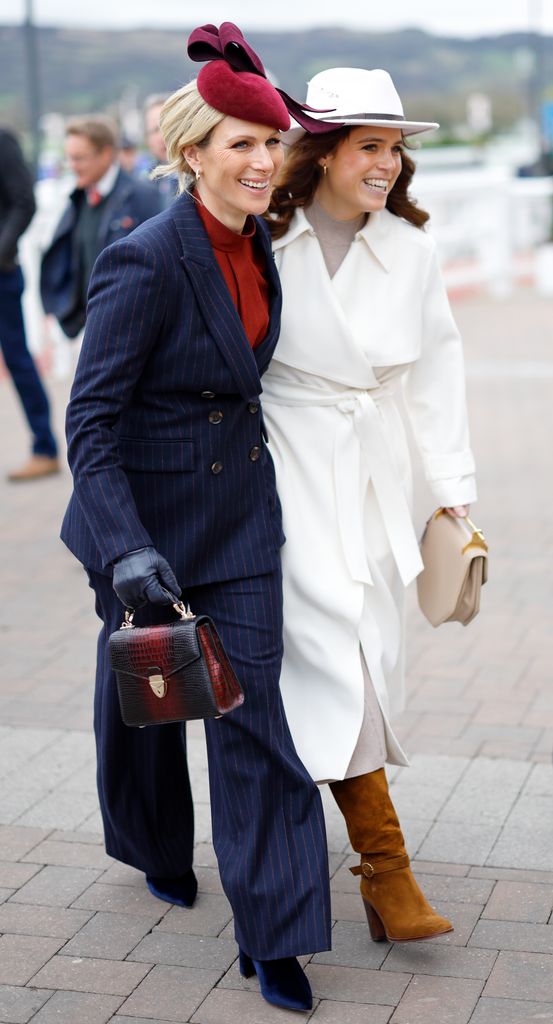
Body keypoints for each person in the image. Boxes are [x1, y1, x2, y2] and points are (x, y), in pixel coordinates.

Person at [60, 23, 331, 1013]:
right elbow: (88, 421)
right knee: (146, 705)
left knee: (251, 721)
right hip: (142, 524)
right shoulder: (146, 259)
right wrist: (127, 548)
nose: (265, 161)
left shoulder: (264, 240)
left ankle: (277, 933)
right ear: (193, 157)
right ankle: (151, 843)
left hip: (238, 526)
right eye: (243, 145)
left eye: (272, 143)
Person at [264, 67, 477, 943]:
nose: (387, 164)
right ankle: (385, 870)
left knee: (359, 656)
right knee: (332, 656)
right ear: (321, 151)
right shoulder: (260, 240)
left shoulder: (413, 251)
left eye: (394, 148)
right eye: (369, 146)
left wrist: (454, 499)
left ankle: (319, 841)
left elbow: (436, 377)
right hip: (282, 467)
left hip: (373, 474)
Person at [40, 115, 161, 340]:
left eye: (79, 158)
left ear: (106, 154)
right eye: (70, 159)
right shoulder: (79, 198)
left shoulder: (143, 197)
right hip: (90, 322)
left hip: (130, 326)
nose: (73, 166)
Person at [0, 127, 60, 482]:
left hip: (2, 274)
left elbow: (25, 202)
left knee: (19, 361)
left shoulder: (3, 140)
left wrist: (1, 254)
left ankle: (45, 448)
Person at [143, 94, 178, 207]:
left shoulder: (199, 173)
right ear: (147, 139)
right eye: (154, 130)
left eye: (166, 126)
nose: (162, 137)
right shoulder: (144, 181)